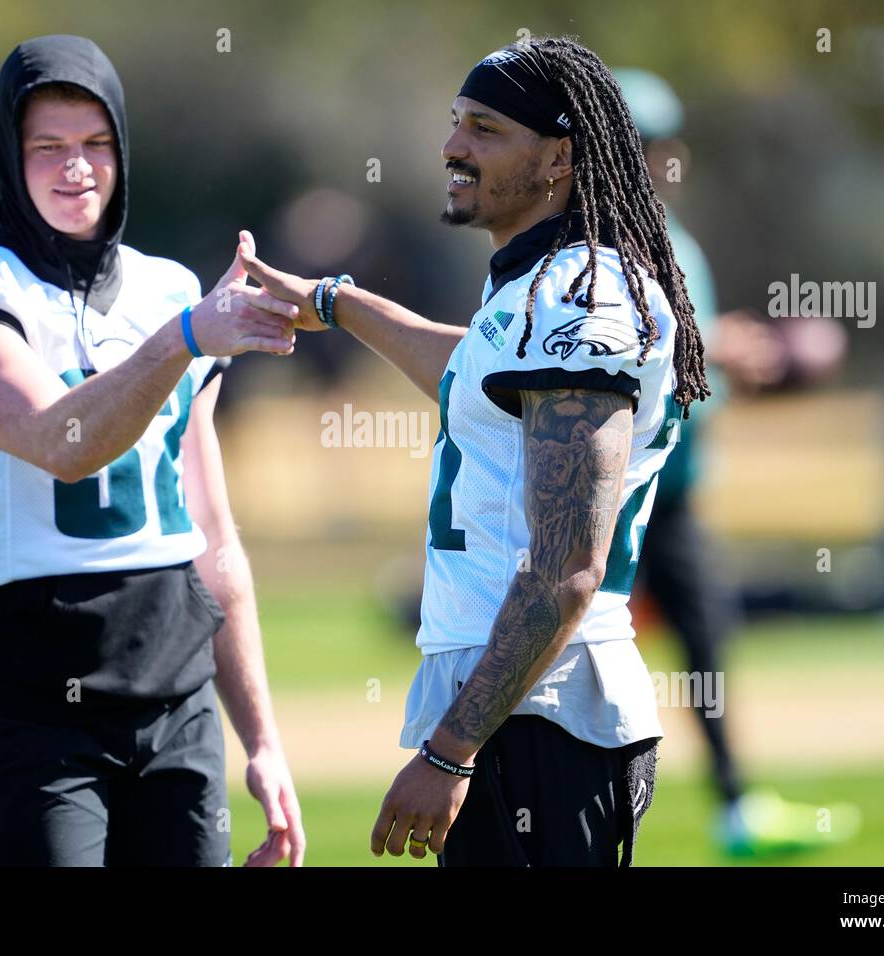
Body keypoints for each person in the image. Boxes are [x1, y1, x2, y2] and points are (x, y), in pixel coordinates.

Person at [241, 37, 709, 866]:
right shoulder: (535, 287)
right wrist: (334, 303)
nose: (454, 147)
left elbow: (567, 564)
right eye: (457, 124)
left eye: (486, 129)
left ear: (558, 156)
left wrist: (449, 751)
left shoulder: (580, 295)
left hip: (545, 715)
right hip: (519, 705)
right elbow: (472, 371)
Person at [0, 35, 305, 866]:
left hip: (176, 681)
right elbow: (60, 442)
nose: (74, 167)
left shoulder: (167, 288)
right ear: (10, 159)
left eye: (94, 143)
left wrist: (260, 737)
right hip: (33, 690)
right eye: (47, 147)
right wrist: (185, 338)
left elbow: (212, 532)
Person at [615, 68, 858, 857]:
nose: (660, 158)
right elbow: (620, 342)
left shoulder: (670, 234)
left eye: (662, 142)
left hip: (672, 487)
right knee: (571, 653)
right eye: (643, 143)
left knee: (706, 641)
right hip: (610, 492)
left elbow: (684, 366)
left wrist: (747, 361)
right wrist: (723, 346)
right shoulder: (600, 239)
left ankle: (734, 807)